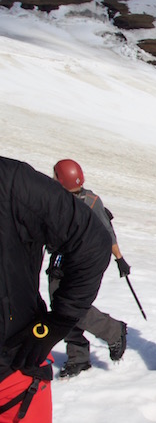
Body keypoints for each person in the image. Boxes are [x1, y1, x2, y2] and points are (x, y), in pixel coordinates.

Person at [0, 156, 110, 422]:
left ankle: (105, 340)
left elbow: (94, 238)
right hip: (15, 367)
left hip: (12, 370)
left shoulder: (11, 183)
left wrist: (58, 321)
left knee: (79, 315)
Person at [50, 159, 129, 378]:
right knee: (60, 306)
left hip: (82, 263)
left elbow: (107, 232)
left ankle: (113, 330)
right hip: (61, 261)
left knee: (69, 306)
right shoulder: (58, 199)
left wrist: (119, 258)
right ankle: (78, 357)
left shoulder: (90, 202)